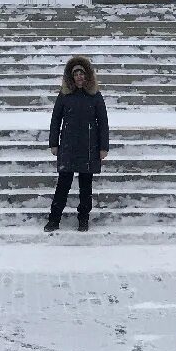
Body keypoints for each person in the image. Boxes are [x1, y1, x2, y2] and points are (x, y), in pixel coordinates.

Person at [44, 55, 110, 234]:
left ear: (87, 75)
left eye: (82, 73)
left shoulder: (95, 95)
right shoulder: (64, 95)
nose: (79, 77)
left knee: (85, 187)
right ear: (71, 77)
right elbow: (55, 120)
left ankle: (83, 219)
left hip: (89, 148)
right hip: (68, 147)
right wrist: (53, 143)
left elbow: (103, 122)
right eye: (76, 74)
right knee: (63, 185)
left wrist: (103, 147)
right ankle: (54, 219)